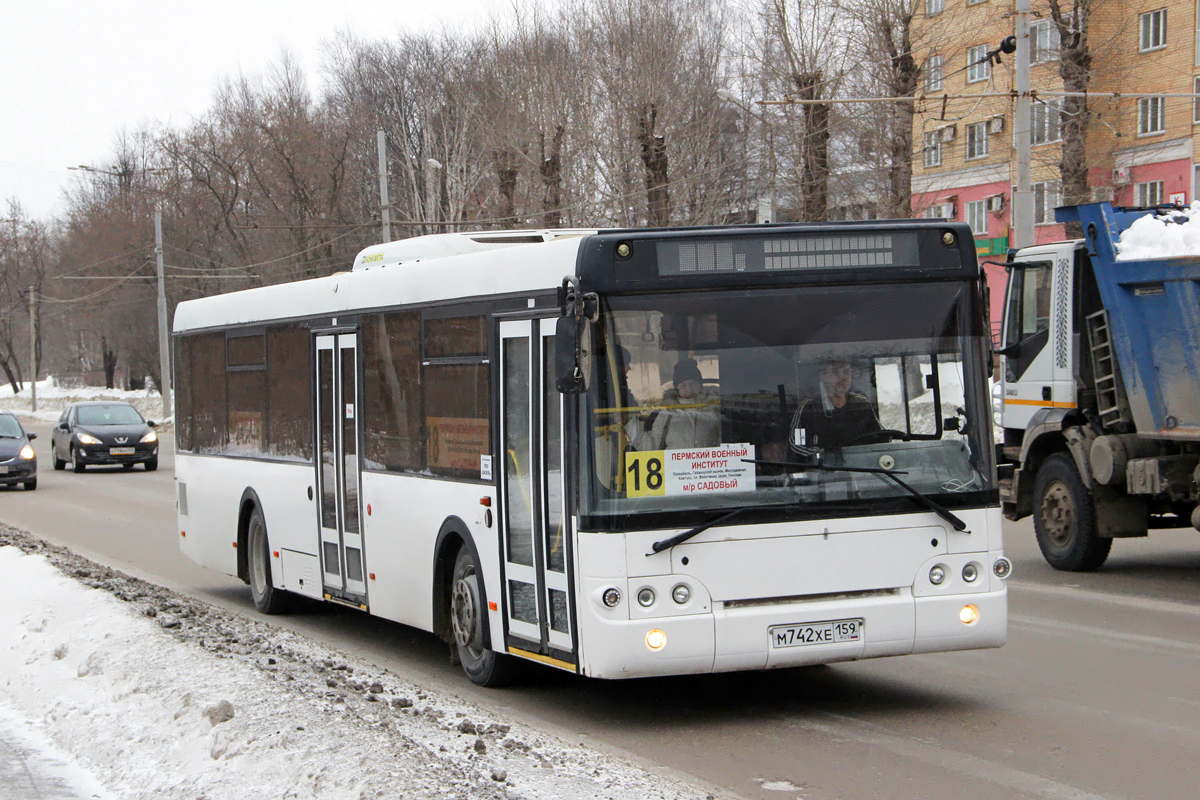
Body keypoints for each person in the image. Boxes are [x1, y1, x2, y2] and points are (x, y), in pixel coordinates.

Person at [791, 359, 883, 453]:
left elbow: (880, 436)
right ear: (822, 376)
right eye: (835, 372)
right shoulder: (808, 408)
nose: (843, 378)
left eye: (846, 372)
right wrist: (825, 456)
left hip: (860, 466)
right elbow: (797, 444)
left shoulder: (862, 404)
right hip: (822, 467)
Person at [629, 358, 720, 450]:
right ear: (677, 387)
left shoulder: (713, 409)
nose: (688, 388)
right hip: (675, 464)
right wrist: (629, 423)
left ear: (700, 385)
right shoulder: (668, 413)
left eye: (692, 383)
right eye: (683, 385)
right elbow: (652, 446)